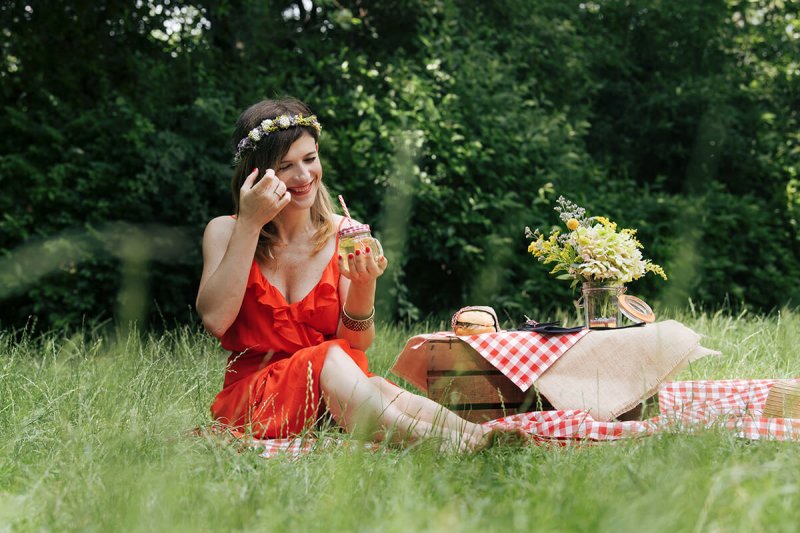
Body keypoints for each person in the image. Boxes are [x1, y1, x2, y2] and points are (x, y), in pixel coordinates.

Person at [196, 97, 523, 452]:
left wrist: (364, 286)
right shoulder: (226, 232)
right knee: (331, 358)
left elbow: (356, 345)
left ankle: (476, 436)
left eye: (310, 159)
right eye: (287, 166)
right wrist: (251, 222)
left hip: (332, 397)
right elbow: (216, 319)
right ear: (256, 174)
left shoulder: (346, 233)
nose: (305, 176)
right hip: (255, 399)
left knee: (376, 385)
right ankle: (437, 442)